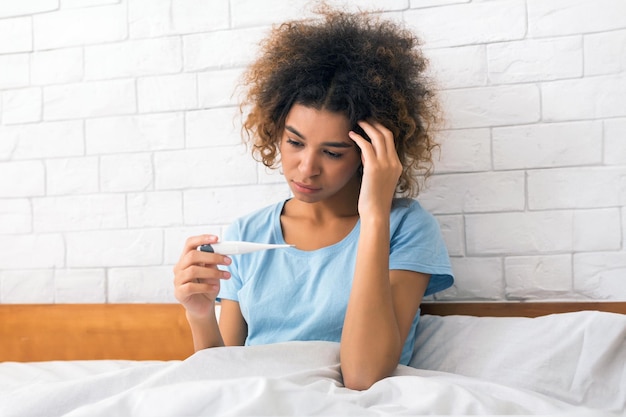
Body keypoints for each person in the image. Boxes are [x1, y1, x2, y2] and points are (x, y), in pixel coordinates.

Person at [173, 5, 454, 391]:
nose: (306, 169)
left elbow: (363, 376)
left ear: (369, 153)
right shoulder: (247, 232)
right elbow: (222, 374)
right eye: (294, 142)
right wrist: (200, 314)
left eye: (333, 152)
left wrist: (374, 216)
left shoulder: (405, 227)